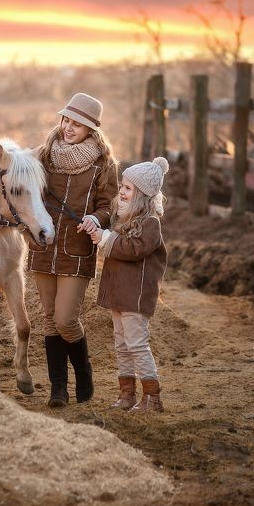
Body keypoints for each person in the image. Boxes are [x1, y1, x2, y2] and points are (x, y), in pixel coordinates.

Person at [0, 92, 118, 407]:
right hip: (43, 248)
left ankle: (83, 372)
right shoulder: (42, 156)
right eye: (66, 120)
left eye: (78, 124)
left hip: (77, 249)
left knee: (65, 319)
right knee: (48, 319)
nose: (69, 127)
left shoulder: (104, 164)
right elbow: (9, 176)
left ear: (92, 130)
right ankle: (59, 388)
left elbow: (108, 205)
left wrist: (95, 218)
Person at [89, 156, 169, 412]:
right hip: (119, 293)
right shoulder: (123, 219)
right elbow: (115, 240)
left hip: (135, 296)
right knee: (121, 344)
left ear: (142, 195)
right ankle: (127, 394)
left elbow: (132, 250)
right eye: (122, 186)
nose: (121, 192)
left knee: (136, 344)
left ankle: (152, 397)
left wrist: (105, 239)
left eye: (127, 188)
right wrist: (100, 232)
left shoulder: (150, 224)